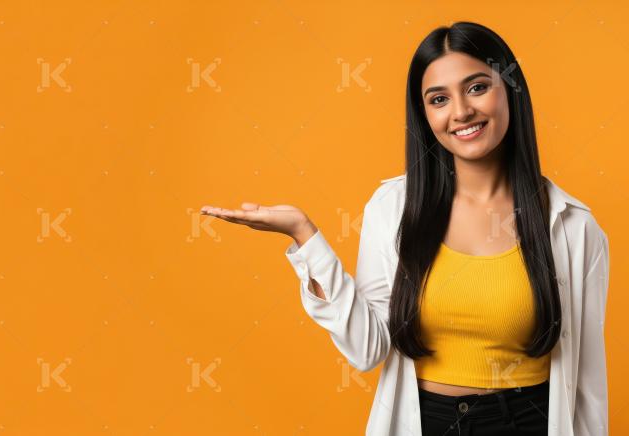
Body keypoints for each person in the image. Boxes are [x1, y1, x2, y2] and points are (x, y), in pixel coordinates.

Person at [200, 21, 609, 436]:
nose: (461, 112)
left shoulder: (573, 227)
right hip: (427, 423)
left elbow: (588, 384)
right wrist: (304, 235)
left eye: (477, 87)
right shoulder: (393, 208)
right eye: (439, 99)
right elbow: (367, 348)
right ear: (425, 114)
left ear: (510, 90)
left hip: (529, 422)